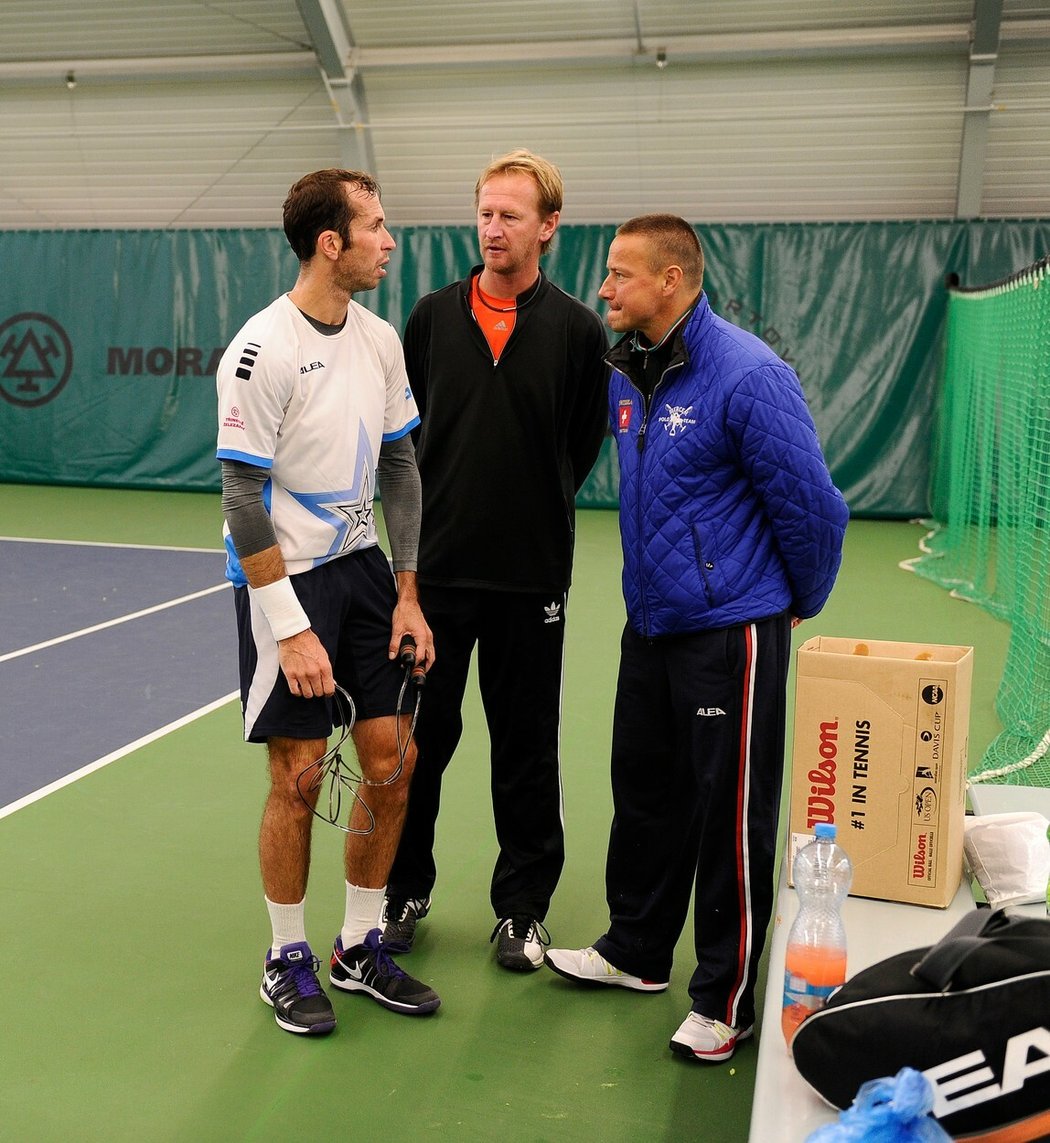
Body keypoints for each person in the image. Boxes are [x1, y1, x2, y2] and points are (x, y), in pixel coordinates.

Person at [543, 214, 849, 1062]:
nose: (604, 288)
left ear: (671, 281)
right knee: (644, 792)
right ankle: (637, 950)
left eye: (619, 273)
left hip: (731, 631)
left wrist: (793, 602)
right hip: (651, 625)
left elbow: (815, 507)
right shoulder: (628, 370)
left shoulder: (749, 375)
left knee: (730, 818)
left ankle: (726, 998)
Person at [215, 168, 441, 1036]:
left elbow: (399, 467)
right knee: (299, 775)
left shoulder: (380, 339)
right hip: (287, 580)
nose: (390, 241)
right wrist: (291, 628)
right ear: (330, 244)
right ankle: (286, 956)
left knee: (393, 757)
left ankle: (357, 943)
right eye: (376, 227)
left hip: (363, 572)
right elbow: (242, 499)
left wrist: (408, 593)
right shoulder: (259, 349)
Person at [382, 150, 610, 971]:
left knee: (526, 746)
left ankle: (521, 909)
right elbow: (403, 442)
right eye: (485, 212)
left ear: (548, 227)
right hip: (433, 577)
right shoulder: (432, 317)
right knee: (418, 741)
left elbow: (578, 446)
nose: (493, 228)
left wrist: (527, 509)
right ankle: (403, 890)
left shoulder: (581, 332)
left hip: (531, 580)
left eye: (511, 214)